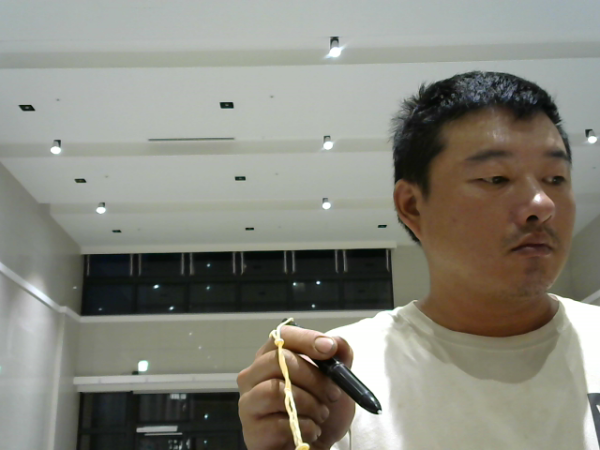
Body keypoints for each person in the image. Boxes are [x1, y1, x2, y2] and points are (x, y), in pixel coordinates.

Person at [237, 71, 600, 449]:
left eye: (556, 178)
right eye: (496, 178)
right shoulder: (338, 387)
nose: (542, 204)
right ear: (412, 206)